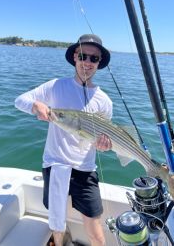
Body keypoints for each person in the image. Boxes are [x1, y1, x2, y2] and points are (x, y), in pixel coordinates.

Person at [15, 34, 113, 246]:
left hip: (85, 170)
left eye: (93, 59)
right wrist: (36, 106)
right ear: (75, 58)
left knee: (97, 235)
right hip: (55, 163)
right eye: (82, 56)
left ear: (98, 63)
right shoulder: (56, 86)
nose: (87, 62)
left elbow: (103, 141)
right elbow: (19, 100)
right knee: (56, 224)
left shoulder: (104, 101)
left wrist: (104, 145)